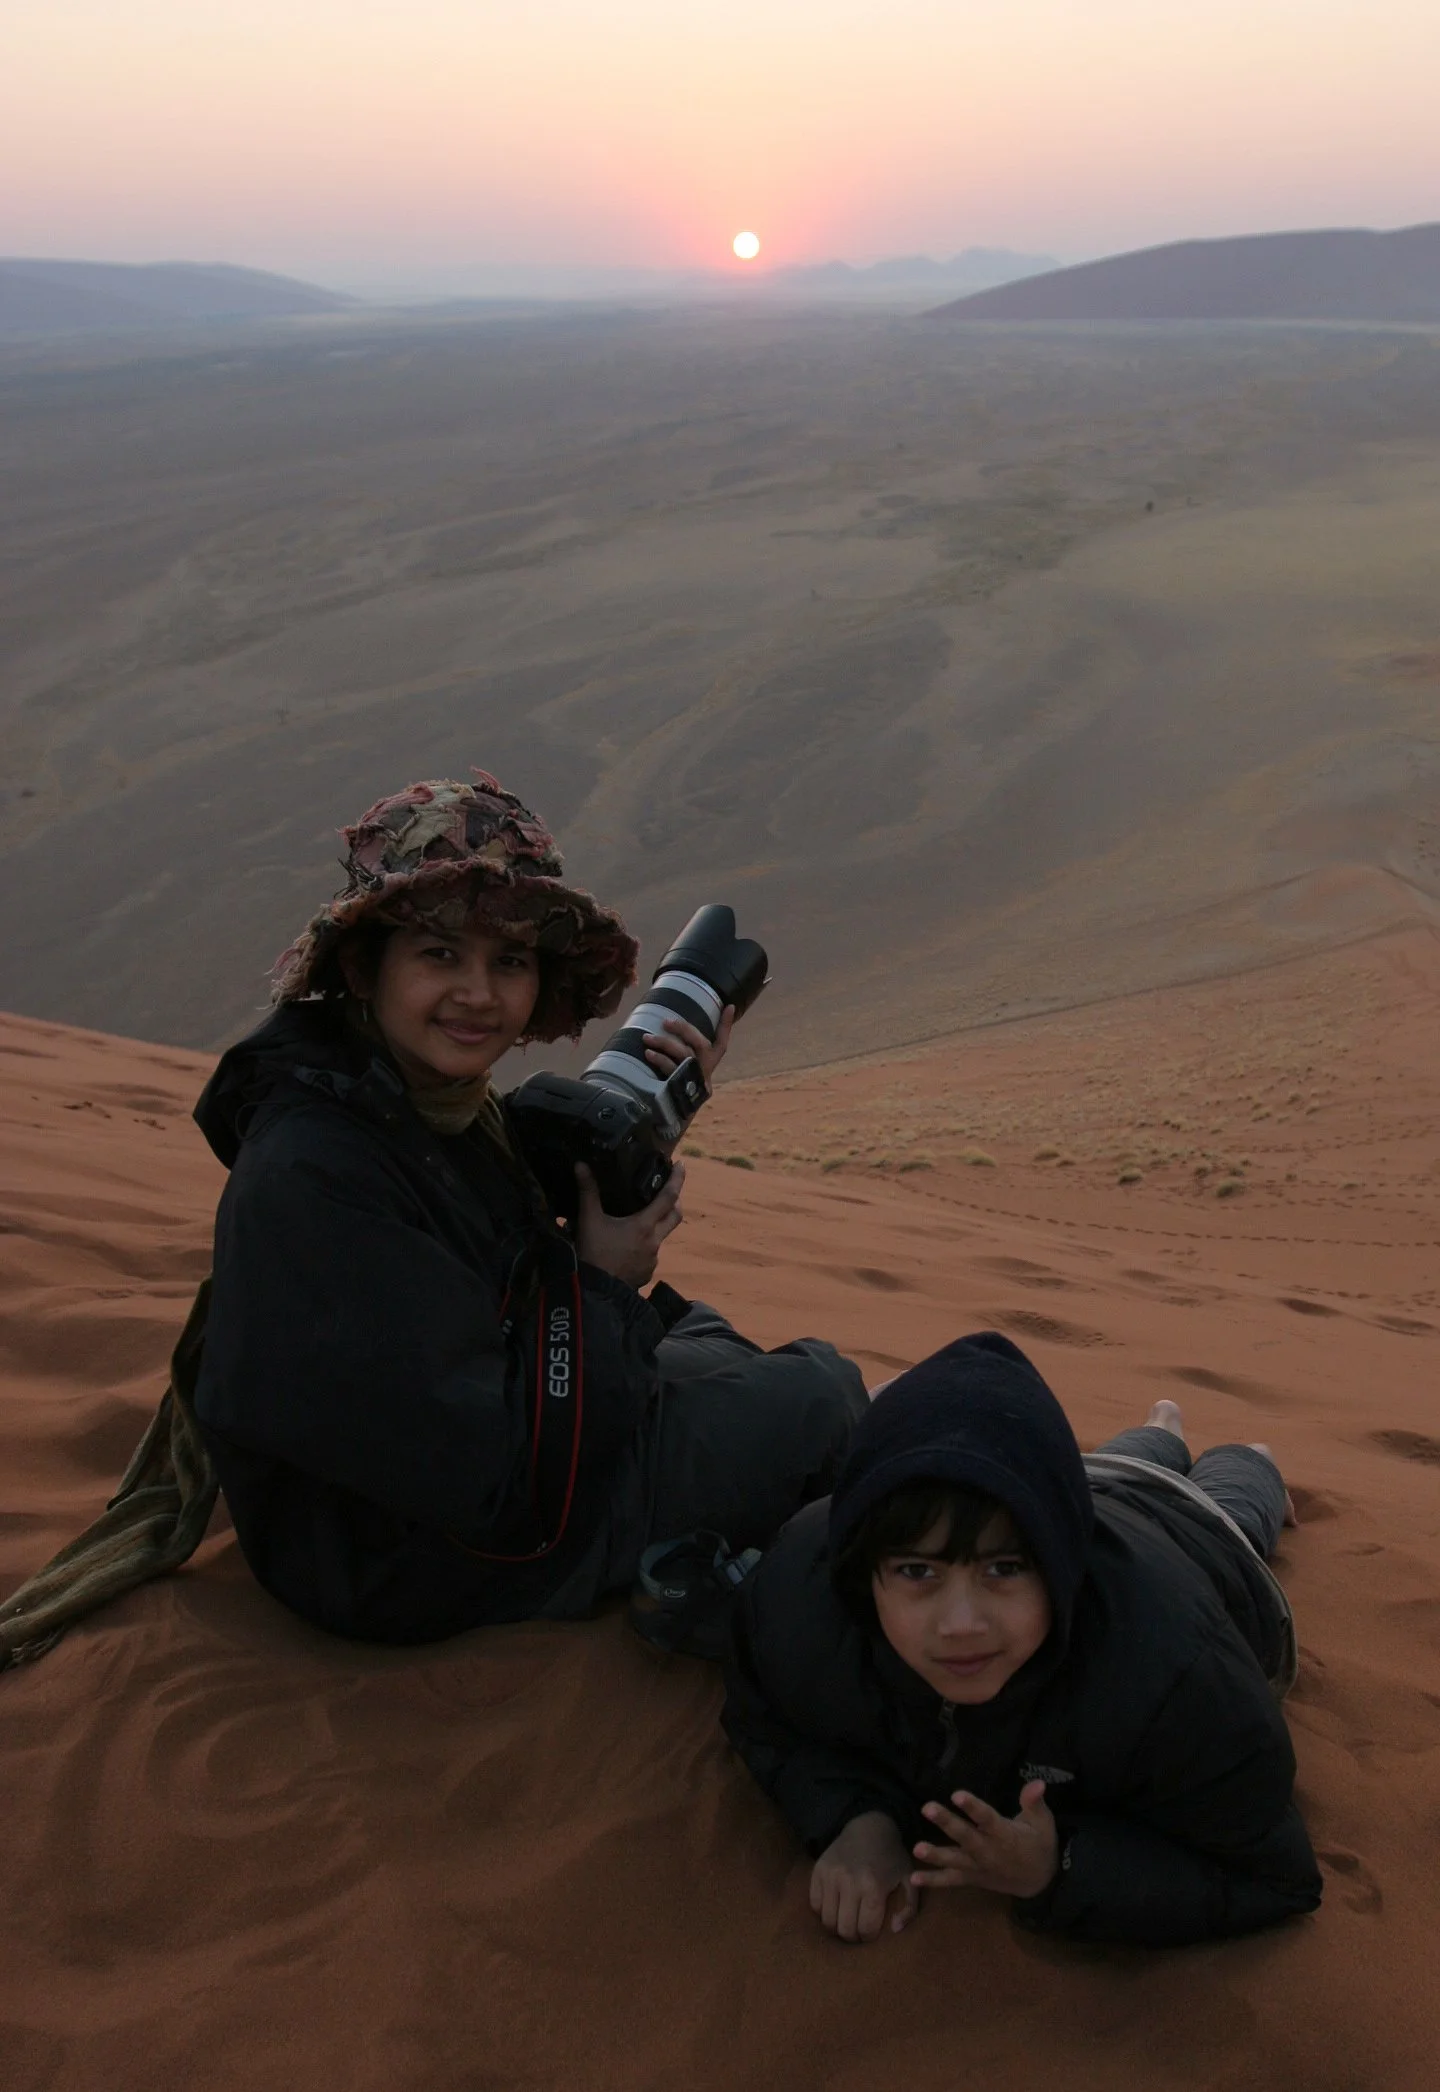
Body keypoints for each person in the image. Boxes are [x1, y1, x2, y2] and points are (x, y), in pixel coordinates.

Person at [189, 770, 866, 1643]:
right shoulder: (315, 1170)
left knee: (705, 1341)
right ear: (364, 966)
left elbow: (487, 1255)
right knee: (822, 1394)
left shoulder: (411, 1105)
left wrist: (662, 1103)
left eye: (508, 961)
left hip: (466, 1481)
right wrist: (604, 1282)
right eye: (441, 954)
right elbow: (499, 1475)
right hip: (424, 1558)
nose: (478, 994)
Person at [721, 1332, 1323, 1948]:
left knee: (1235, 1499)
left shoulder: (1174, 1669)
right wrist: (853, 1816)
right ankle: (1162, 1426)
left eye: (1003, 1570)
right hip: (1061, 1488)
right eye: (916, 1572)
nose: (961, 1625)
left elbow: (1278, 1876)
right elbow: (759, 1712)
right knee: (1119, 1462)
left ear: (1055, 1568)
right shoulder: (801, 1588)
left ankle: (1253, 1455)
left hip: (1197, 1540)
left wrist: (1057, 1868)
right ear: (860, 1569)